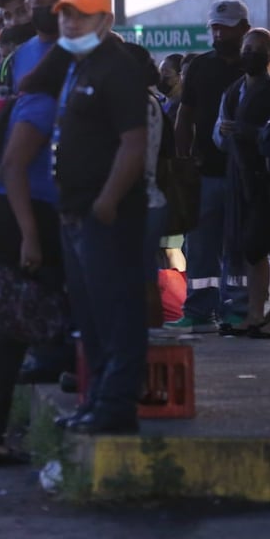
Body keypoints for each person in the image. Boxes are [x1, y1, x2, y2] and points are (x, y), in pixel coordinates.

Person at [50, 0, 148, 435]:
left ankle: (117, 405)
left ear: (105, 21)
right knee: (89, 315)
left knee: (116, 312)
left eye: (82, 15)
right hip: (75, 214)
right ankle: (98, 401)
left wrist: (107, 201)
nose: (71, 22)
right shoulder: (79, 68)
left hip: (107, 215)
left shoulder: (119, 69)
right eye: (66, 13)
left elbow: (133, 144)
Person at [0, 48, 66, 466]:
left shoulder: (33, 101)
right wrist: (31, 235)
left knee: (22, 328)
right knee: (15, 333)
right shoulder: (42, 104)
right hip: (25, 218)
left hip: (20, 216)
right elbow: (14, 167)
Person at [169, 0, 252, 332]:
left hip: (246, 174)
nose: (219, 34)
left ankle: (238, 308)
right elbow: (184, 116)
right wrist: (181, 158)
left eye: (226, 27)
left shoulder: (256, 69)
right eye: (215, 27)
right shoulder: (201, 67)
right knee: (200, 246)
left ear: (244, 28)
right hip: (206, 174)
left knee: (239, 246)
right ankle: (199, 311)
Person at [214, 28, 270, 338]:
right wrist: (225, 133)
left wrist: (248, 131)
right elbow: (220, 136)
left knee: (257, 245)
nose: (251, 54)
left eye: (258, 49)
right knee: (251, 248)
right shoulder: (234, 91)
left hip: (263, 178)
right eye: (247, 48)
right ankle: (253, 312)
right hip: (241, 178)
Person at [121, 43, 170, 327]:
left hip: (140, 201)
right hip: (149, 199)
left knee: (140, 276)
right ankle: (150, 336)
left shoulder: (136, 103)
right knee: (145, 274)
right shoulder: (147, 100)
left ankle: (148, 338)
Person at [4, 0, 71, 89]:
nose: (48, 8)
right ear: (28, 7)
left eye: (55, 1)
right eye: (39, 2)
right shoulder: (17, 57)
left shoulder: (84, 51)